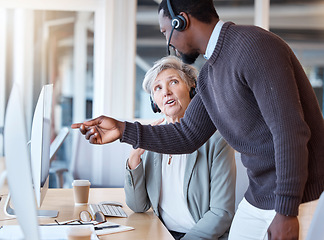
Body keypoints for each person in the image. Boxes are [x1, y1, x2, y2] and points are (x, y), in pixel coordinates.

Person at [71, 0, 324, 239]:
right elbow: (186, 135)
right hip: (261, 196)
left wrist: (287, 211)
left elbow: (290, 132)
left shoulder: (254, 46)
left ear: (182, 21)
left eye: (165, 31)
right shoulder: (210, 74)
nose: (169, 44)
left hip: (301, 196)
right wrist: (123, 129)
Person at [124, 56, 236, 240]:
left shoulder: (217, 141)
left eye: (173, 82)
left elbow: (221, 213)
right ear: (155, 103)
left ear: (192, 91)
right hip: (162, 234)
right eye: (158, 88)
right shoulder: (154, 140)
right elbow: (138, 205)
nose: (166, 92)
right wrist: (134, 158)